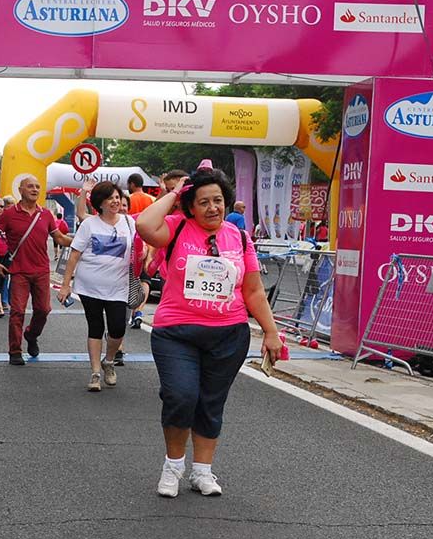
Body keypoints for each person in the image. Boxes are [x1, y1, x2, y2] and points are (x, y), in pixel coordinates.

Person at [136, 166, 282, 499]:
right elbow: (144, 225)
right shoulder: (175, 227)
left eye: (218, 200)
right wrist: (176, 192)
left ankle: (202, 471)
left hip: (228, 333)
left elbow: (254, 291)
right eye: (203, 202)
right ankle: (173, 466)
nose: (212, 207)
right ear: (191, 206)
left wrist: (271, 332)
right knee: (181, 396)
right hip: (177, 332)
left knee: (211, 403)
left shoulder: (240, 236)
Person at [57, 181, 136, 391]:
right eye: (110, 198)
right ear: (100, 203)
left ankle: (108, 361)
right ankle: (94, 373)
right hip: (89, 286)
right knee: (95, 327)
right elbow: (74, 255)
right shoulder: (90, 224)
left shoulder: (129, 223)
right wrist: (66, 285)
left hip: (119, 287)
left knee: (118, 328)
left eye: (117, 197)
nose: (115, 201)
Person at [0, 176, 72, 365]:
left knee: (43, 310)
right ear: (21, 190)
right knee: (17, 311)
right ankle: (15, 351)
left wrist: (80, 241)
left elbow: (59, 238)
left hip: (42, 270)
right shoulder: (9, 214)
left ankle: (31, 335)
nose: (35, 189)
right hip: (18, 271)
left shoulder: (46, 214)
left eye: (37, 187)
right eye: (30, 186)